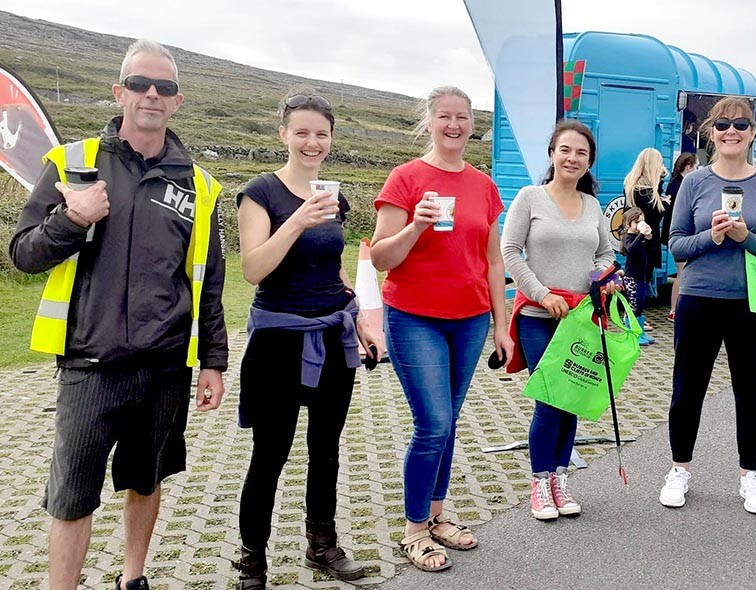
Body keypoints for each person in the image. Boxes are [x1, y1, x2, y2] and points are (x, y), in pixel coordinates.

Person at [8, 40, 228, 590]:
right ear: (119, 91)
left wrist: (213, 362)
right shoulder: (73, 163)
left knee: (146, 480)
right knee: (72, 495)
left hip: (164, 365)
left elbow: (209, 281)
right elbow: (23, 254)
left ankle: (134, 579)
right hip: (90, 362)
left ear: (178, 101)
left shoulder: (199, 185)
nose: (152, 95)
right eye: (139, 84)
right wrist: (71, 220)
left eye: (165, 87)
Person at [230, 88, 384, 588]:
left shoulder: (334, 196)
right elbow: (254, 269)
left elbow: (331, 265)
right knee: (270, 453)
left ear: (331, 139)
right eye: (302, 132)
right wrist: (296, 219)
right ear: (284, 135)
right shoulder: (260, 193)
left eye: (321, 133)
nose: (312, 142)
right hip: (280, 341)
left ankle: (322, 545)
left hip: (333, 335)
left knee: (327, 447)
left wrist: (357, 317)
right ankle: (252, 558)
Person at [370, 86, 514, 572]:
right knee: (432, 423)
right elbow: (381, 257)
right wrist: (416, 227)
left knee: (448, 422)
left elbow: (493, 260)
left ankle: (435, 515)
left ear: (472, 123)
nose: (454, 125)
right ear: (429, 121)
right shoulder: (406, 178)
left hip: (470, 319)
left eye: (463, 117)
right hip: (414, 317)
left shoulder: (483, 184)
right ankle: (413, 529)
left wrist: (502, 322)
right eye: (444, 117)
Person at [660, 97, 756, 515]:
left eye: (741, 124)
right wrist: (710, 238)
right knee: (687, 389)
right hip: (699, 299)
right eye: (723, 125)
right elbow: (675, 242)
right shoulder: (694, 183)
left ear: (753, 132)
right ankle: (679, 469)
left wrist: (745, 238)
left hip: (750, 303)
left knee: (751, 392)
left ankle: (750, 476)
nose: (731, 131)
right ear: (710, 133)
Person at [501, 120, 616, 520]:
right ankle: (539, 482)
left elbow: (606, 253)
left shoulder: (593, 206)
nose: (572, 158)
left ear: (589, 162)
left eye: (581, 153)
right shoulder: (530, 198)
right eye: (565, 150)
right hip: (538, 316)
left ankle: (561, 480)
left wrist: (602, 278)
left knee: (571, 401)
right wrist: (542, 293)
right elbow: (510, 250)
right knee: (550, 400)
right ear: (552, 154)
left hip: (580, 319)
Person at [623, 148, 667, 342]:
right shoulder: (647, 190)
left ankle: (636, 321)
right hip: (646, 241)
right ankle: (634, 322)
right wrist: (665, 203)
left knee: (638, 283)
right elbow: (655, 214)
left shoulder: (631, 186)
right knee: (641, 282)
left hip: (636, 240)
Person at [663, 153, 698, 320]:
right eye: (696, 166)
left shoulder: (673, 184)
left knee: (681, 273)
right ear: (689, 167)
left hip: (674, 235)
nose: (697, 170)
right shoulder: (681, 187)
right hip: (681, 236)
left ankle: (675, 309)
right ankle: (675, 310)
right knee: (681, 273)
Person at [621, 208, 654, 345]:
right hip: (631, 278)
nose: (640, 224)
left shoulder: (639, 238)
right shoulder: (628, 237)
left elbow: (650, 251)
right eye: (637, 222)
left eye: (642, 221)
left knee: (640, 304)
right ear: (628, 224)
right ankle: (631, 332)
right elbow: (631, 249)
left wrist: (648, 239)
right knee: (633, 306)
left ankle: (639, 331)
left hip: (641, 277)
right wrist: (641, 235)